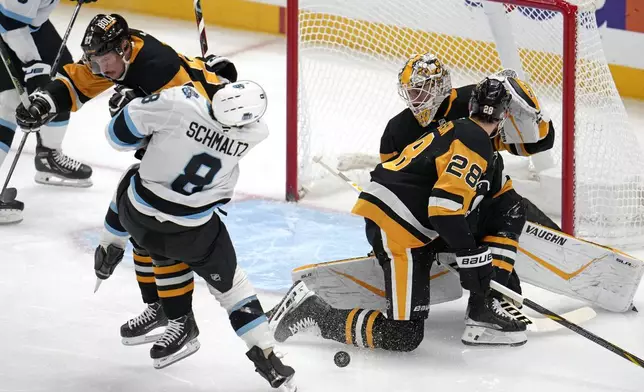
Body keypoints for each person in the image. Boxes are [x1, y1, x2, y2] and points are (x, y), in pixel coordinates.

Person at [15, 13, 239, 349]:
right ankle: (160, 307)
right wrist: (44, 103)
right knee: (140, 221)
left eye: (105, 61)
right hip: (177, 141)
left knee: (161, 225)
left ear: (123, 49)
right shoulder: (123, 54)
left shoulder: (158, 69)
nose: (101, 70)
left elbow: (191, 123)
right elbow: (78, 83)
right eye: (96, 61)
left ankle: (182, 321)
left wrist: (137, 109)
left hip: (206, 150)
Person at [270, 77, 528, 352]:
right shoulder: (477, 142)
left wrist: (466, 251)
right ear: (503, 118)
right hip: (397, 229)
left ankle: (478, 307)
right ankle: (314, 312)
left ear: (471, 106)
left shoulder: (452, 128)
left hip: (402, 221)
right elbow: (443, 210)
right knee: (402, 335)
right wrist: (469, 254)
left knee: (406, 332)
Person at [69, 80, 296, 389]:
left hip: (137, 220)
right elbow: (235, 119)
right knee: (233, 287)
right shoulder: (256, 134)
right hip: (192, 232)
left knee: (132, 180)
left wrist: (150, 117)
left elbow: (117, 136)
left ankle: (111, 245)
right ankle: (267, 357)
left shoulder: (180, 102)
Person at [381, 53, 559, 296]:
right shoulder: (396, 131)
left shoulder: (472, 101)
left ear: (440, 85)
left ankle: (555, 244)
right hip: (440, 214)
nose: (418, 99)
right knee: (500, 279)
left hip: (486, 200)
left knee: (515, 214)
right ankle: (486, 299)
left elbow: (535, 144)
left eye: (423, 90)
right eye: (412, 92)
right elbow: (395, 188)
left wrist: (536, 112)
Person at [0, 0, 98, 223]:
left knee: (62, 80)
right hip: (7, 27)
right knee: (9, 103)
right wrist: (32, 64)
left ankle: (48, 157)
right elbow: (9, 22)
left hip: (28, 27)